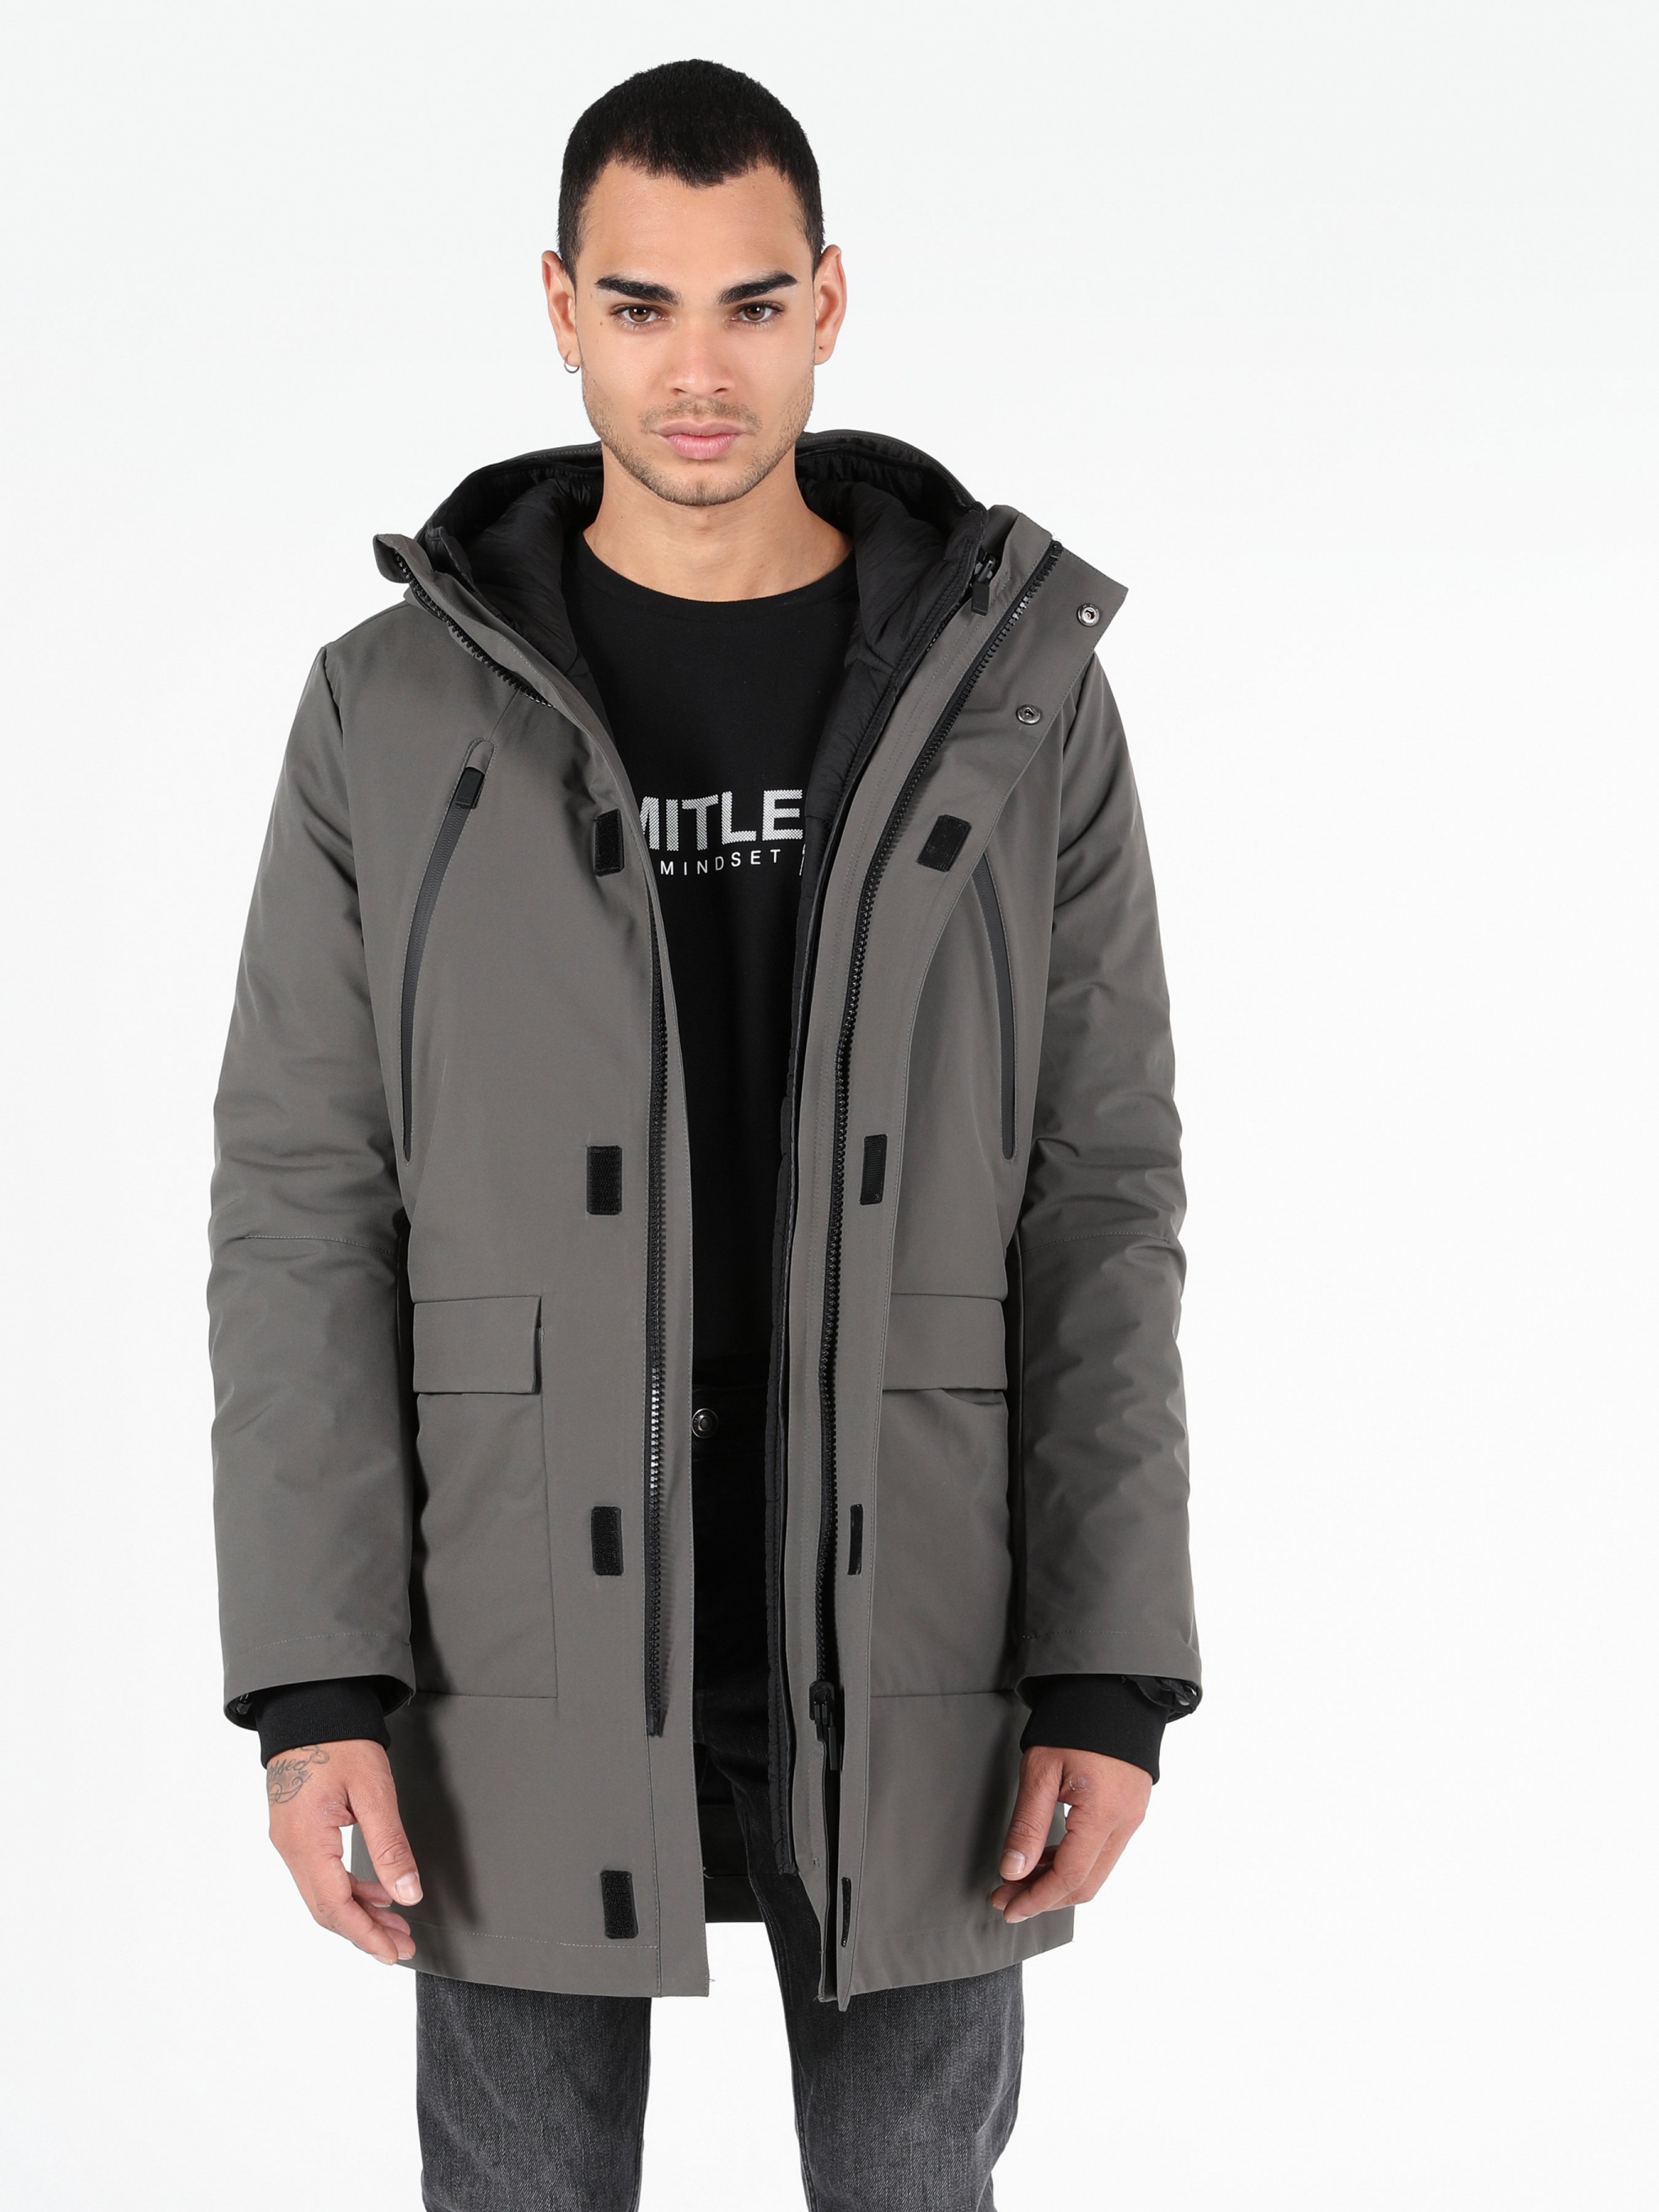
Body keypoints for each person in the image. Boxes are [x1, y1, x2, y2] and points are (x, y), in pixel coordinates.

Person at [209, 57, 1199, 2212]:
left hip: (921, 1599)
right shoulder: (389, 709)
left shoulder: (1016, 696)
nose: (696, 369)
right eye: (641, 306)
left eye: (750, 304)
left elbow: (1101, 1194)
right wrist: (312, 1683)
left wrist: (1110, 1669)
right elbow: (301, 1201)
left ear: (827, 302)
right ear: (558, 306)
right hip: (508, 1615)